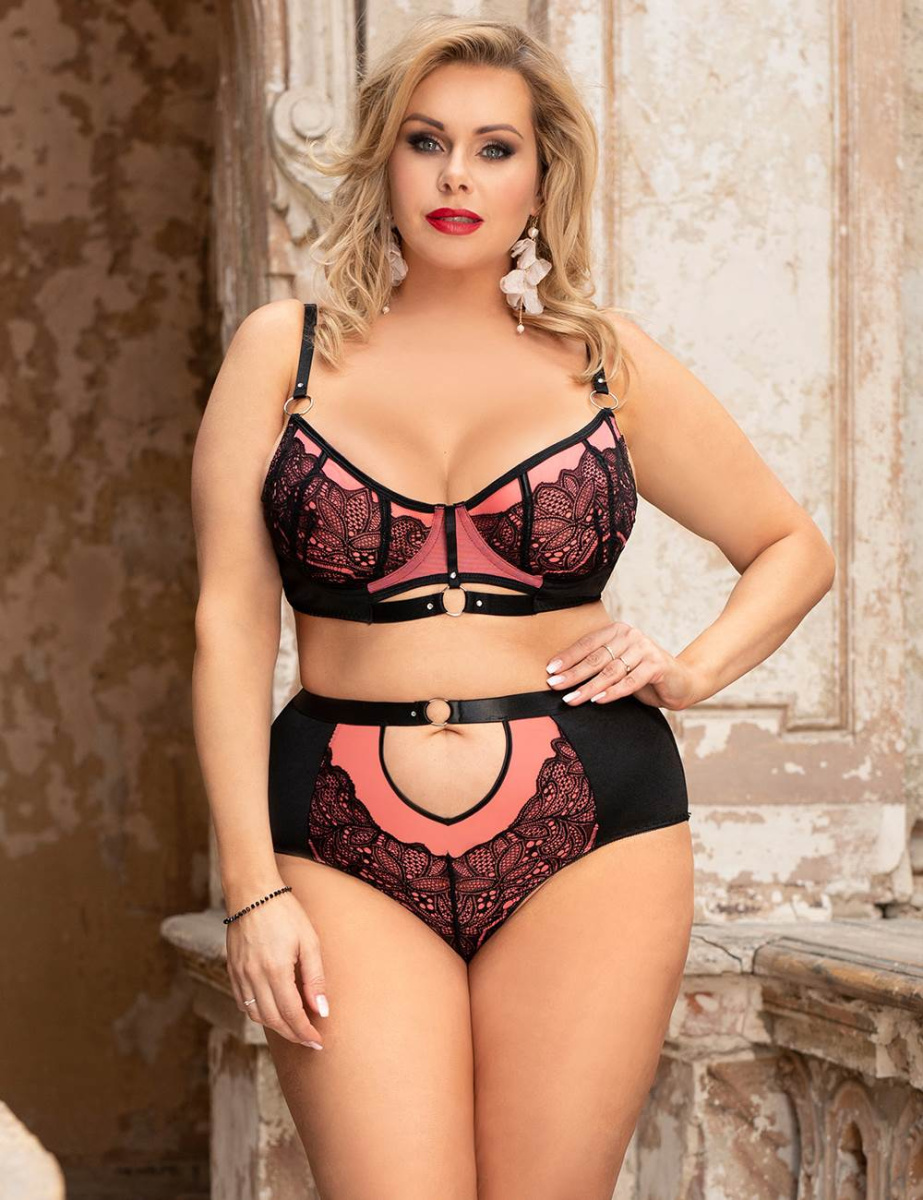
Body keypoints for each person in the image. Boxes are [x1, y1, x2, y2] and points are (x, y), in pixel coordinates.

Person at [190, 15, 836, 1199]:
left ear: (541, 180)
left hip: (594, 826)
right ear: (383, 159)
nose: (456, 177)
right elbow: (229, 628)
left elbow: (789, 546)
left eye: (495, 149)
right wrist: (252, 891)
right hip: (335, 829)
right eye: (425, 141)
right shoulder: (281, 354)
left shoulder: (601, 363)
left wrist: (689, 671)